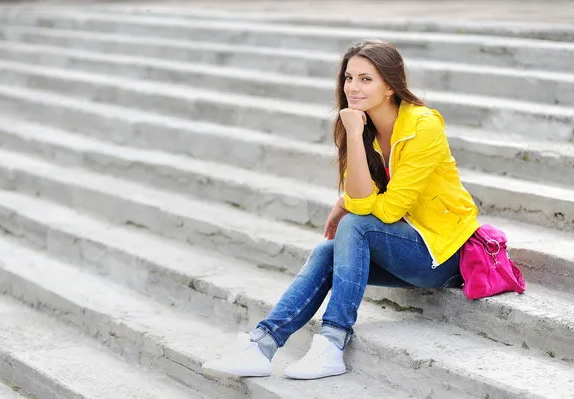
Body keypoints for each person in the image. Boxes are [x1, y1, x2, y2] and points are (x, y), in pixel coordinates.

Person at [202, 40, 479, 380]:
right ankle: (262, 346)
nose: (352, 87)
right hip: (408, 248)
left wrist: (346, 202)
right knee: (326, 252)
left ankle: (332, 343)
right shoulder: (364, 128)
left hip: (444, 253)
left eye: (366, 79)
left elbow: (386, 211)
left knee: (355, 227)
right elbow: (363, 201)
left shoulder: (423, 125)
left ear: (390, 86)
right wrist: (353, 135)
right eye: (349, 78)